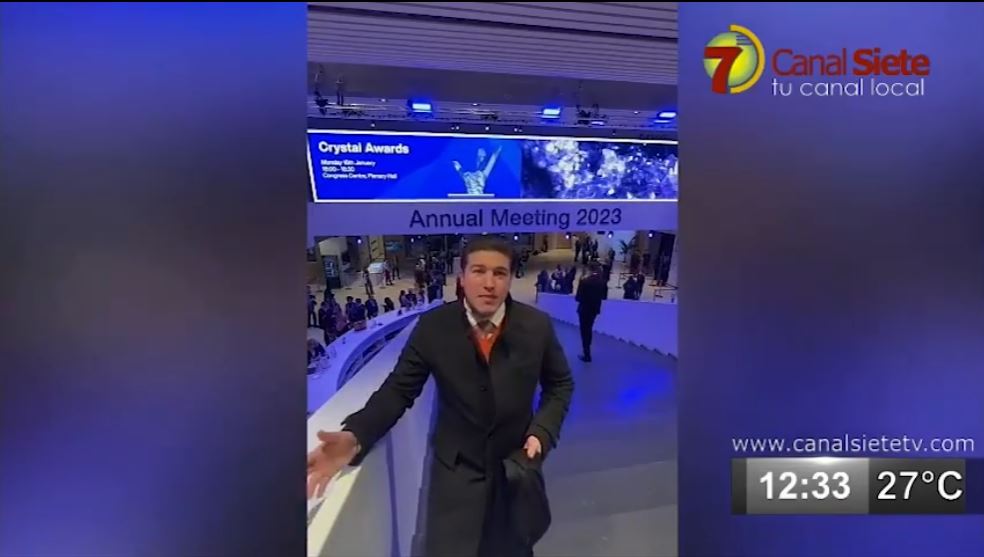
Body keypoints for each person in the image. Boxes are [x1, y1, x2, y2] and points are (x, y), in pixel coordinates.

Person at [307, 236, 574, 557]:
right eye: (479, 271)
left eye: (499, 273)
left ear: (509, 278)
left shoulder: (536, 326)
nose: (489, 283)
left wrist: (541, 432)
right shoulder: (434, 327)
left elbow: (560, 384)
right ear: (462, 276)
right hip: (454, 475)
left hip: (516, 470)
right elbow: (398, 389)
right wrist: (356, 436)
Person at [575, 262, 607, 363]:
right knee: (589, 329)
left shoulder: (584, 281)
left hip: (584, 310)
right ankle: (587, 352)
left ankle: (587, 354)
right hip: (594, 310)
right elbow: (604, 297)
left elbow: (578, 298)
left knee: (584, 331)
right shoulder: (602, 282)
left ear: (589, 269)